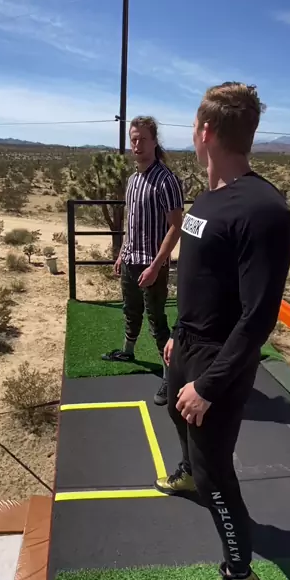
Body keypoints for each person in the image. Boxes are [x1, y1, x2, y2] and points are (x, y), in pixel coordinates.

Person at [155, 82, 290, 580]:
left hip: (221, 363)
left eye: (193, 126)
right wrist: (178, 335)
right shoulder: (209, 198)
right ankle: (189, 472)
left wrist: (209, 385)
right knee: (178, 421)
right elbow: (204, 279)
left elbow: (258, 318)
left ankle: (241, 579)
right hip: (188, 345)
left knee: (217, 475)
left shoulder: (264, 211)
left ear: (206, 131)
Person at [102, 116, 184, 405]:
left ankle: (170, 375)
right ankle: (128, 351)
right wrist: (122, 252)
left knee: (156, 321)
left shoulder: (166, 180)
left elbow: (176, 226)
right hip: (130, 259)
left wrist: (156, 265)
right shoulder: (133, 180)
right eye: (133, 139)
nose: (136, 145)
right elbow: (132, 221)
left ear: (154, 141)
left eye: (142, 139)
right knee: (131, 309)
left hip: (153, 264)